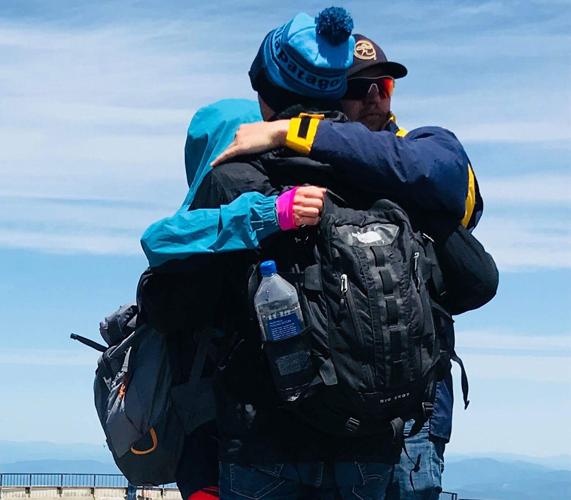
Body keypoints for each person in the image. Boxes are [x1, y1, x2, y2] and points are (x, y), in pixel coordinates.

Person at [137, 8, 493, 499]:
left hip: (265, 439)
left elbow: (175, 307)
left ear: (263, 97)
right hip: (378, 436)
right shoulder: (394, 176)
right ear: (340, 92)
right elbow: (480, 281)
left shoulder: (237, 177)